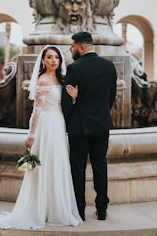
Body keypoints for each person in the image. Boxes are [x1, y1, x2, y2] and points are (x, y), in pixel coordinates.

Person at [0, 45, 82, 229]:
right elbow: (36, 111)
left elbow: (67, 104)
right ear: (43, 61)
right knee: (45, 165)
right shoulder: (43, 80)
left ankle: (55, 209)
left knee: (57, 164)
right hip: (46, 125)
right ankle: (38, 209)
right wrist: (31, 136)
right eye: (49, 57)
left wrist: (75, 97)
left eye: (56, 57)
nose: (53, 60)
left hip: (59, 123)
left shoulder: (62, 80)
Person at [61, 32, 117, 221]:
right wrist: (101, 114)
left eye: (73, 46)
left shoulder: (74, 68)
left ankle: (79, 210)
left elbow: (66, 102)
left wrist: (66, 121)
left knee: (78, 168)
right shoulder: (109, 66)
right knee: (100, 166)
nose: (71, 49)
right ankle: (102, 209)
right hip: (102, 125)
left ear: (81, 47)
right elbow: (111, 97)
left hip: (79, 127)